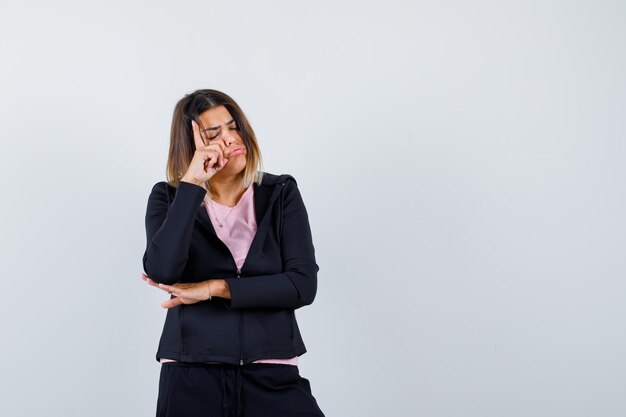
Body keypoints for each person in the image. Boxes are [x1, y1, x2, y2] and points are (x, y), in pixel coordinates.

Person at [140, 89, 325, 417]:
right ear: (193, 147)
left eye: (233, 126)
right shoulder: (169, 198)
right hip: (190, 374)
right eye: (214, 133)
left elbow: (301, 285)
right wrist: (193, 183)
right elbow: (163, 271)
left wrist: (214, 288)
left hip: (273, 373)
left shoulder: (280, 193)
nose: (230, 138)